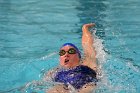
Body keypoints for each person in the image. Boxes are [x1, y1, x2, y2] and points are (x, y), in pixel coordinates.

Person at [45, 23, 98, 93]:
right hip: (62, 87)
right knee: (56, 89)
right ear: (60, 59)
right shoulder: (54, 72)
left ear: (79, 56)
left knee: (89, 87)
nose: (66, 54)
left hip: (86, 86)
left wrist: (84, 29)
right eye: (62, 53)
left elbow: (88, 46)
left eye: (71, 51)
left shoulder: (87, 64)